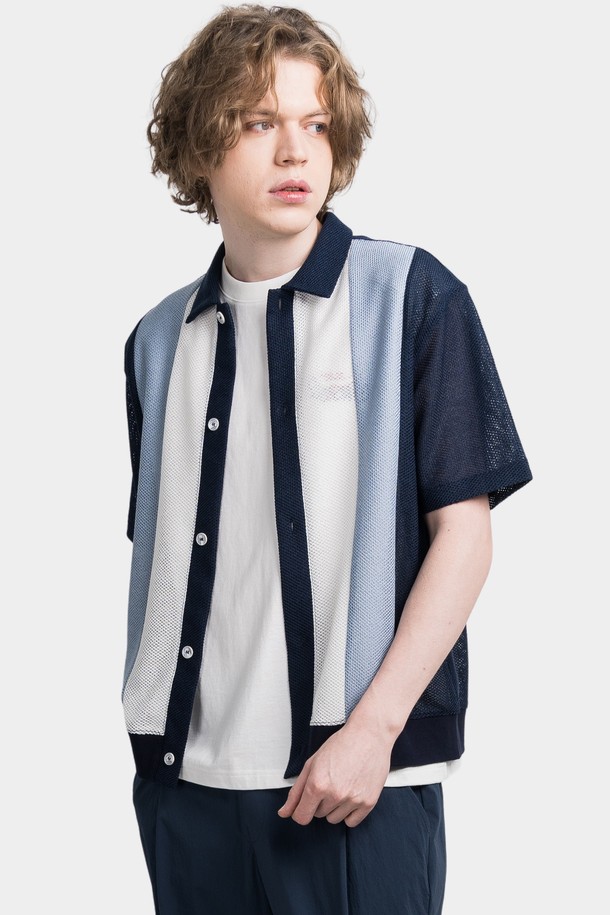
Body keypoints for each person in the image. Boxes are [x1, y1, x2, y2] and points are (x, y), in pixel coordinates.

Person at [121, 5, 533, 913]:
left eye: (315, 124)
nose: (294, 152)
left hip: (353, 785)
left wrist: (372, 732)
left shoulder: (412, 297)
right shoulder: (156, 341)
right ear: (199, 144)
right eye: (258, 122)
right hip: (188, 790)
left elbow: (464, 537)